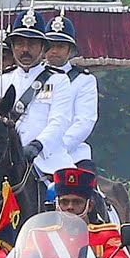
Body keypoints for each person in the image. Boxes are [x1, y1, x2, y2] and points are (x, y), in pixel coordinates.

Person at [0, 6, 75, 180]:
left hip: (47, 162)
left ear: (42, 48)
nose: (25, 49)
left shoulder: (59, 80)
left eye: (32, 44)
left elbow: (59, 122)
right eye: (19, 44)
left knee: (76, 198)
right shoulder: (0, 81)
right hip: (4, 162)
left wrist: (37, 145)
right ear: (12, 47)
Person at [43, 12, 99, 173]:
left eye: (60, 46)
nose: (54, 51)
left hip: (72, 154)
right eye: (50, 46)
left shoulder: (83, 80)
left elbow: (84, 122)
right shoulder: (34, 78)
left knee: (87, 195)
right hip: (31, 153)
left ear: (70, 50)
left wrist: (52, 148)